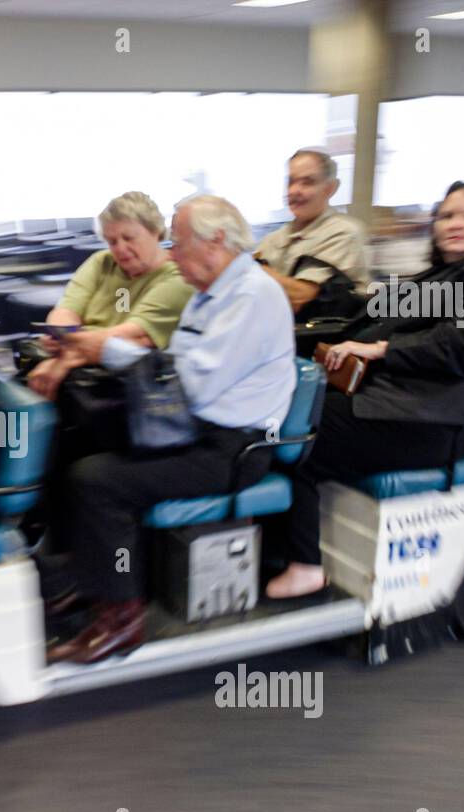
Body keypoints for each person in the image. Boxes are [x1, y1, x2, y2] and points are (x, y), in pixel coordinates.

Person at [43, 195, 296, 666]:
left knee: (97, 482)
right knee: (75, 440)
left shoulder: (251, 297)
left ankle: (121, 622)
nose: (172, 254)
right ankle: (90, 578)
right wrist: (102, 351)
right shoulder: (210, 294)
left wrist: (105, 350)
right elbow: (175, 370)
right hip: (195, 428)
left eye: (177, 243)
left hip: (232, 449)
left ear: (216, 241)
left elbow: (190, 385)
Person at [266, 180, 464, 600]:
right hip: (399, 403)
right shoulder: (439, 278)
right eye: (446, 215)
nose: (455, 223)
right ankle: (274, 547)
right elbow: (368, 314)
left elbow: (462, 347)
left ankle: (305, 565)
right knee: (283, 411)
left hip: (437, 420)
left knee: (297, 439)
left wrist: (379, 349)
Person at [27, 191, 194, 401]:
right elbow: (65, 311)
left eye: (129, 238)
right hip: (79, 369)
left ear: (155, 231)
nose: (120, 249)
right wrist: (59, 335)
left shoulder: (177, 279)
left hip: (123, 388)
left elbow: (126, 338)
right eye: (112, 241)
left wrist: (63, 354)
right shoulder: (102, 261)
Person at [255, 149, 371, 316]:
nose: (294, 191)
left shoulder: (343, 233)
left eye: (307, 182)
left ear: (330, 188)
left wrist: (248, 268)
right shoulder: (273, 240)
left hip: (325, 337)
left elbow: (302, 297)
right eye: (290, 182)